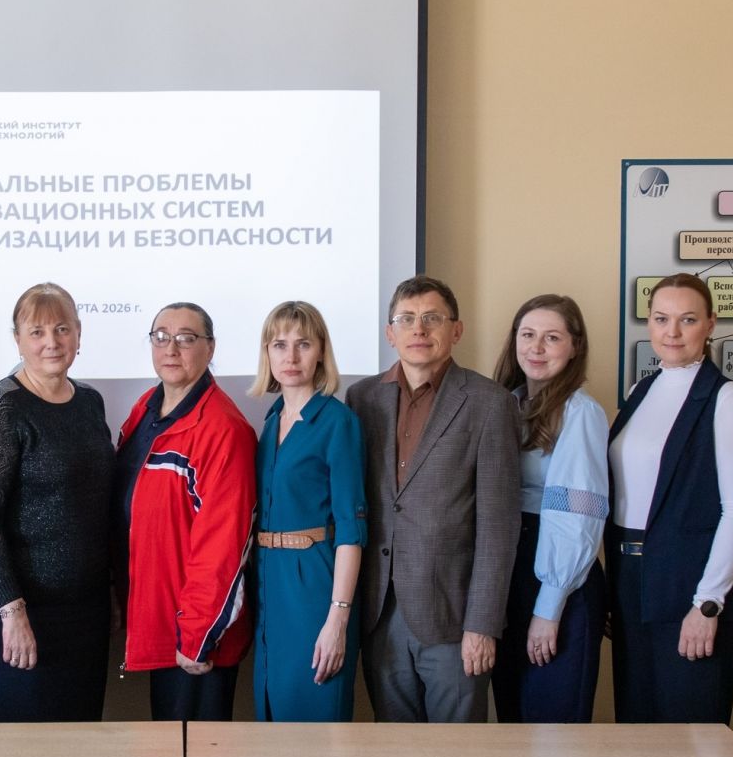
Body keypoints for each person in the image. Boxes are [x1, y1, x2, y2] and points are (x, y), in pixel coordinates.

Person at [347, 274, 521, 723]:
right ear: (390, 333)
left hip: (453, 616)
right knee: (396, 748)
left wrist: (482, 625)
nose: (418, 329)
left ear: (456, 330)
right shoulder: (361, 399)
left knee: (457, 753)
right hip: (380, 611)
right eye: (406, 319)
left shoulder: (490, 403)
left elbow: (499, 528)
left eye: (432, 318)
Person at [606, 272, 733, 724]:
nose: (672, 332)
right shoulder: (641, 391)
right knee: (637, 726)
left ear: (710, 324)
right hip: (632, 581)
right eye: (661, 319)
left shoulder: (727, 399)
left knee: (690, 731)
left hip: (691, 588)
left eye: (687, 319)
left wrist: (707, 602)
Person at [0, 283, 113, 721]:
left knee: (82, 736)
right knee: (22, 746)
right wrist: (11, 608)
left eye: (62, 329)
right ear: (17, 340)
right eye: (37, 332)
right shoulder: (2, 407)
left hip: (85, 611)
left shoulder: (90, 401)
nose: (52, 342)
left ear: (79, 334)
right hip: (20, 614)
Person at [116, 302, 257, 721]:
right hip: (156, 619)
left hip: (195, 638)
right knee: (163, 751)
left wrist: (197, 635)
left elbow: (223, 548)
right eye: (161, 337)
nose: (171, 348)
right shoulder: (146, 407)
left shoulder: (223, 429)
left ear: (210, 348)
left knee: (199, 755)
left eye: (186, 338)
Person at [488, 294, 608, 724]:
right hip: (511, 570)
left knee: (553, 728)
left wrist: (548, 607)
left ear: (575, 346)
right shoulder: (506, 404)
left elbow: (577, 515)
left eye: (552, 337)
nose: (536, 348)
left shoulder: (581, 412)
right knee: (513, 722)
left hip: (559, 579)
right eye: (528, 335)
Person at [246, 300, 366, 721]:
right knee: (272, 714)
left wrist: (337, 620)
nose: (291, 357)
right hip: (269, 579)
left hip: (315, 583)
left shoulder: (338, 421)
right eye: (279, 345)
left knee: (314, 717)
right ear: (267, 353)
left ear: (321, 352)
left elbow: (351, 530)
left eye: (303, 344)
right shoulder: (271, 421)